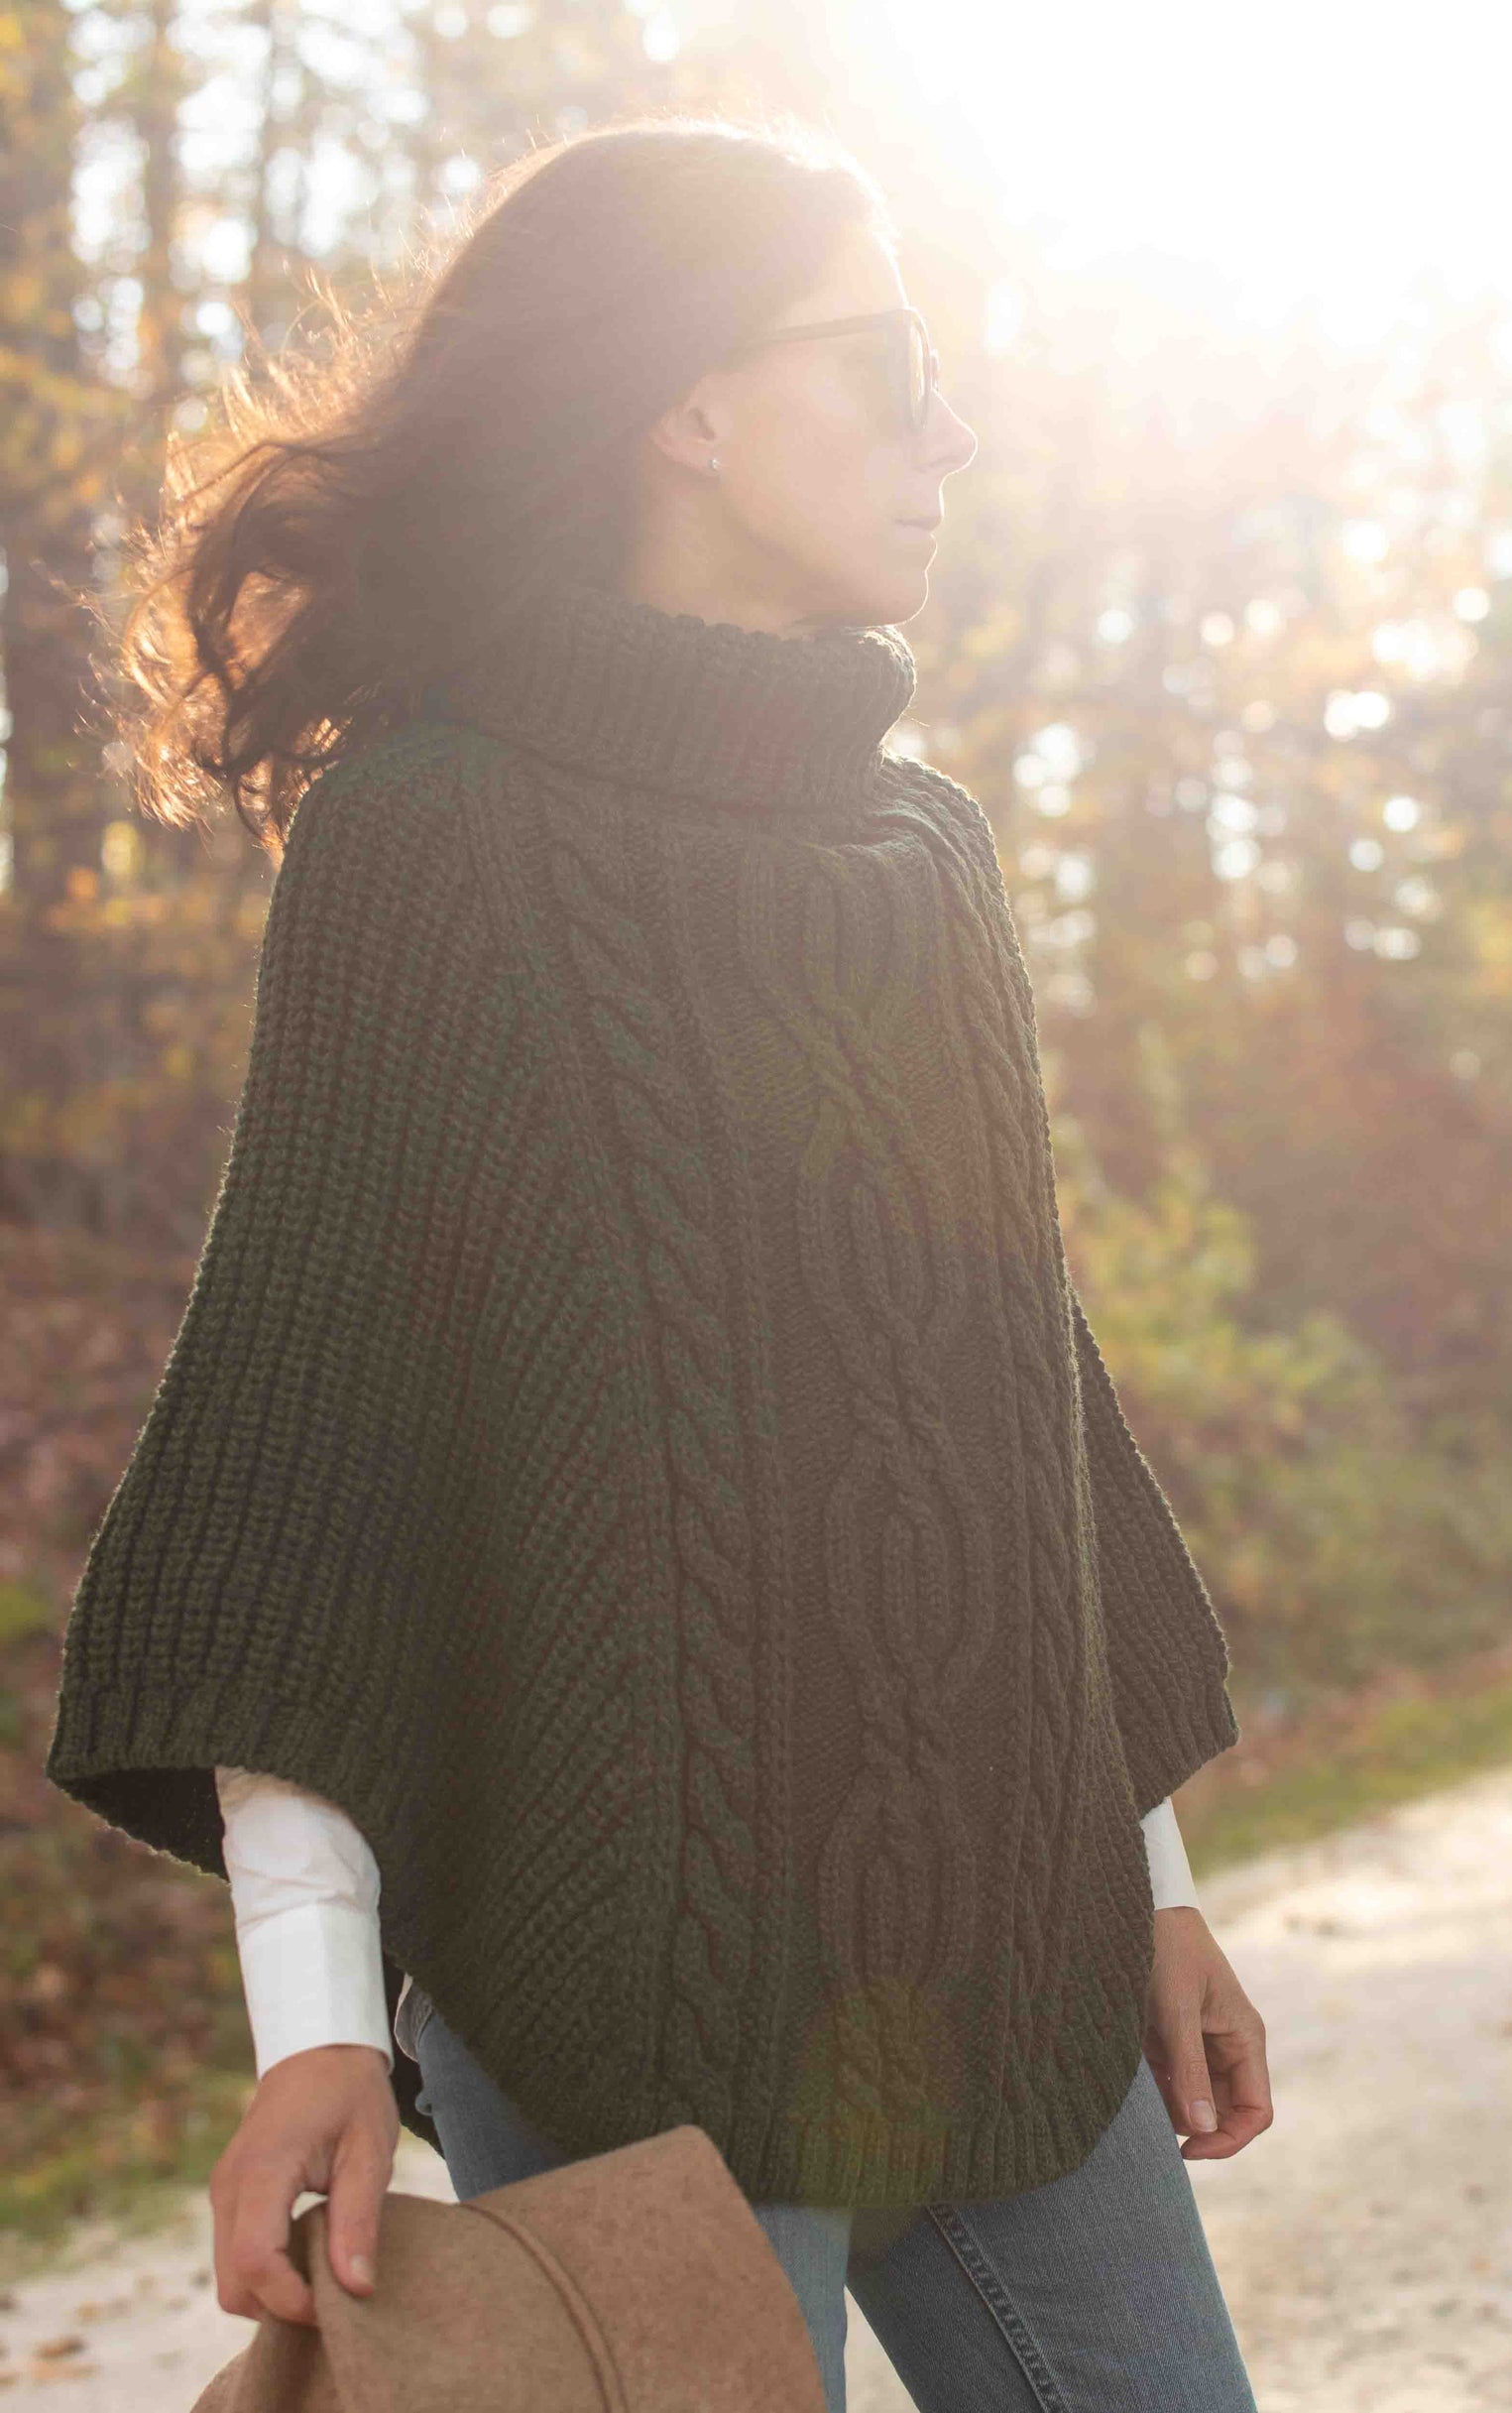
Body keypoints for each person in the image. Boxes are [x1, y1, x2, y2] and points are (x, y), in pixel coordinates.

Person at [44, 108, 1270, 2412]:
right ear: (690, 403)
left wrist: (1154, 1876)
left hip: (1011, 1962)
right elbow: (314, 1476)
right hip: (623, 1991)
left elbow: (1014, 1419)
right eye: (886, 362)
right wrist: (314, 2024)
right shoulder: (430, 845)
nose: (947, 429)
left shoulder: (928, 856)